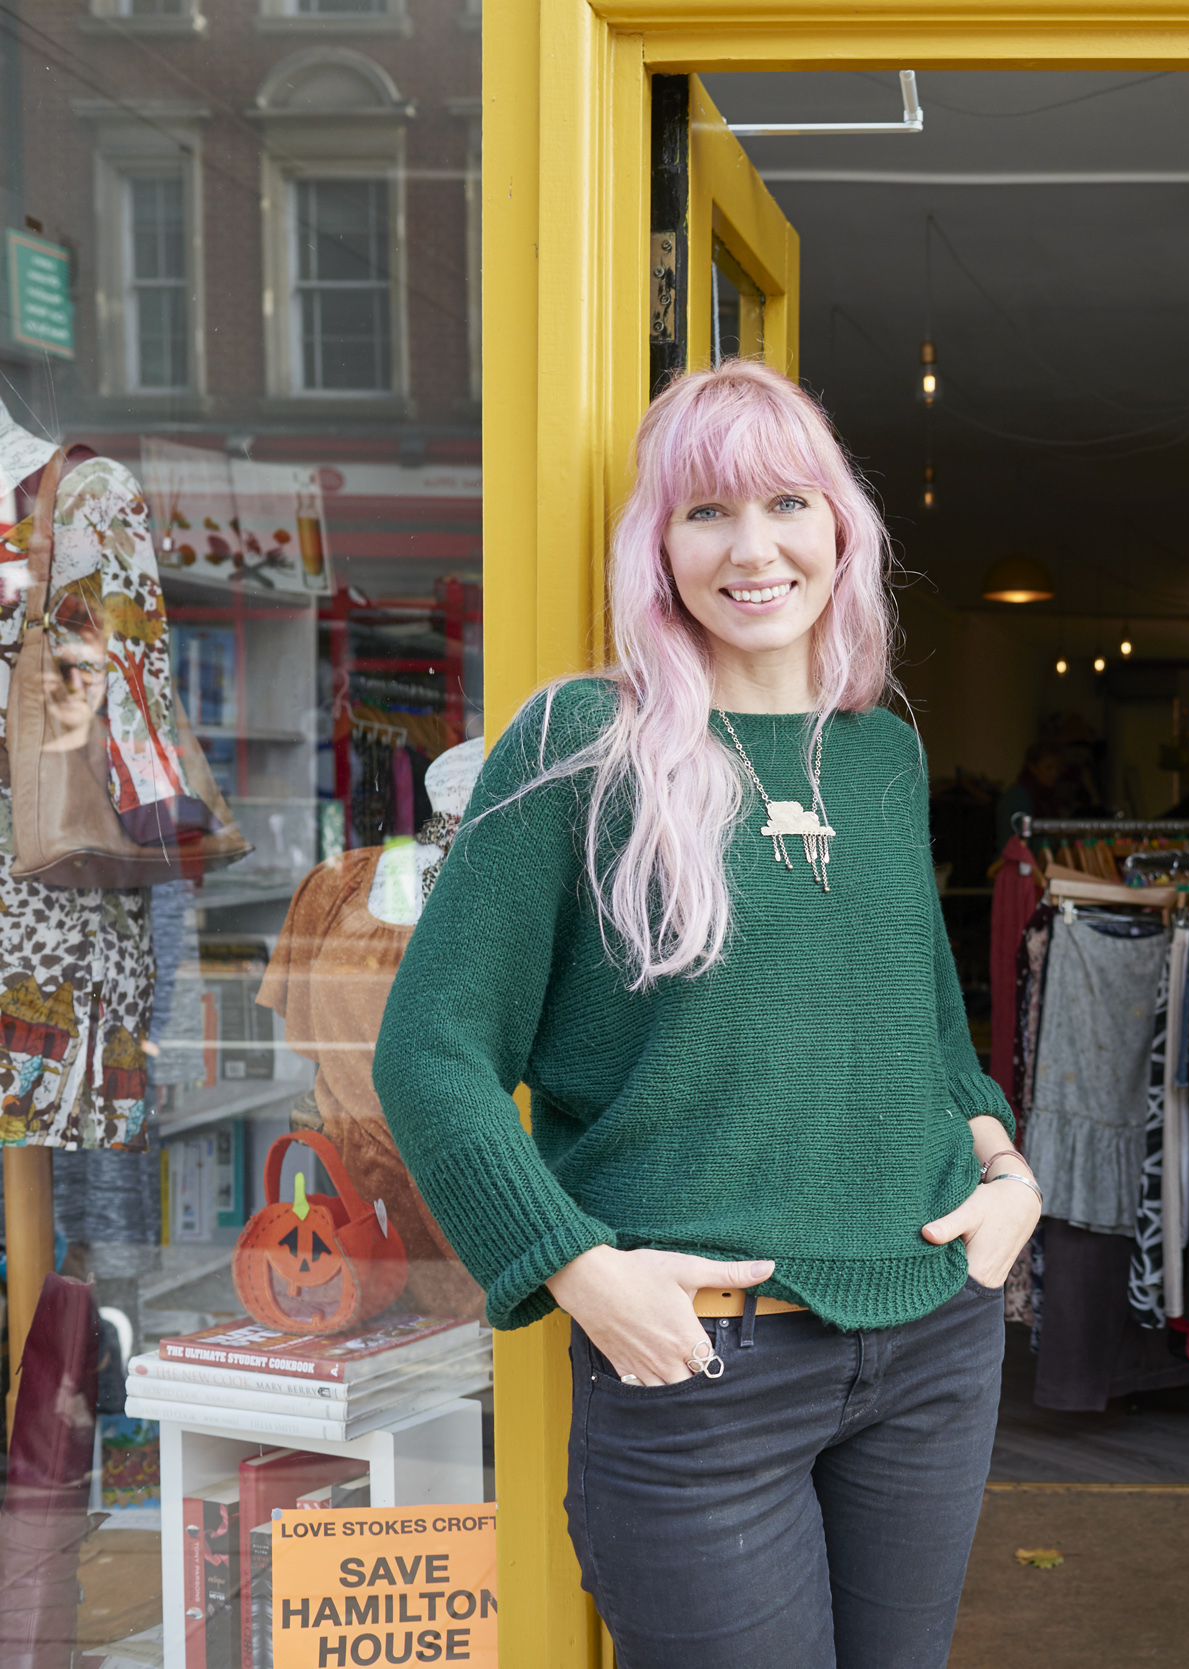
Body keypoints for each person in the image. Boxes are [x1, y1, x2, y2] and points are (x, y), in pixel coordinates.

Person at [373, 360, 1042, 1667]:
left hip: (931, 1342)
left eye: (788, 503)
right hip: (699, 1377)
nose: (753, 549)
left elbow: (923, 1028)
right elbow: (431, 1050)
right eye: (706, 512)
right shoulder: (580, 744)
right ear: (657, 545)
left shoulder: (882, 752)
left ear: (840, 527)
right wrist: (577, 1269)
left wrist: (1007, 1172)